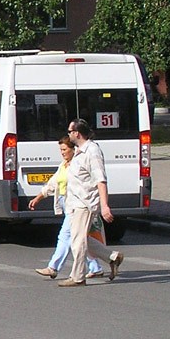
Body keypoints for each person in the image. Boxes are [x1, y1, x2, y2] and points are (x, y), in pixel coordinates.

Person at [28, 135, 103, 279]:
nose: (62, 152)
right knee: (80, 238)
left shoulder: (76, 164)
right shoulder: (63, 165)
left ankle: (53, 267)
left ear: (73, 149)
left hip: (77, 204)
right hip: (66, 203)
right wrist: (38, 198)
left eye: (64, 149)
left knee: (65, 236)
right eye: (60, 150)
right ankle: (98, 265)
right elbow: (53, 183)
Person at [59, 118, 124, 286]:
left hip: (85, 203)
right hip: (74, 203)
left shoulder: (92, 151)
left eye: (70, 132)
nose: (68, 134)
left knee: (78, 241)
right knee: (80, 239)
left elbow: (100, 179)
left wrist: (104, 206)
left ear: (77, 133)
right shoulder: (79, 151)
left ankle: (77, 277)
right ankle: (112, 257)